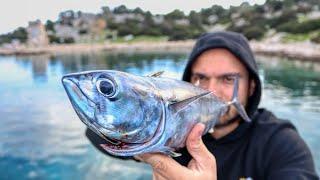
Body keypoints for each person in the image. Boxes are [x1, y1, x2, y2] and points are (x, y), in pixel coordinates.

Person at [86, 31, 319, 179]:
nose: (212, 91)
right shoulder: (176, 132)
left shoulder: (281, 143)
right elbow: (95, 133)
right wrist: (145, 148)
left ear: (251, 87)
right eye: (200, 79)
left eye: (228, 79)